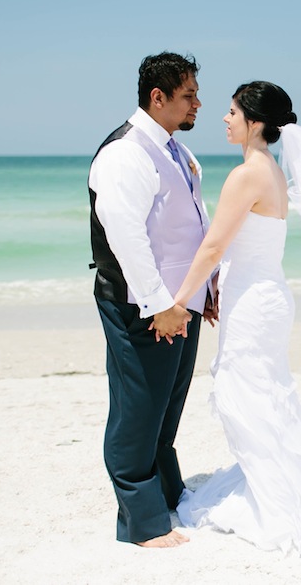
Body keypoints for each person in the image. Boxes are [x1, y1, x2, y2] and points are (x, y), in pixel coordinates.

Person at [153, 81, 301, 556]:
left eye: (232, 111)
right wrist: (216, 285)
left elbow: (214, 244)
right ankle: (285, 488)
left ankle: (273, 503)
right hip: (266, 295)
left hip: (255, 303)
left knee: (246, 394)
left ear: (254, 122)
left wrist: (178, 300)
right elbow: (242, 245)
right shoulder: (271, 171)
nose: (224, 118)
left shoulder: (246, 175)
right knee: (267, 392)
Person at [88, 52, 216, 548]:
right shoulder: (125, 152)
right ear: (157, 97)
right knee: (138, 407)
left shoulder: (177, 151)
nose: (198, 104)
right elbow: (127, 237)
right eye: (189, 95)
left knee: (167, 405)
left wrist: (206, 288)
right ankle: (141, 524)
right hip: (141, 304)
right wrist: (157, 304)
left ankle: (167, 494)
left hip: (179, 303)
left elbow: (190, 226)